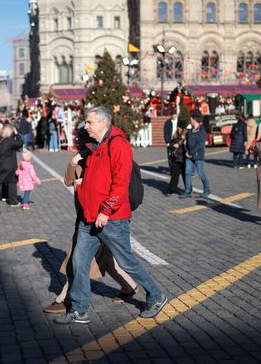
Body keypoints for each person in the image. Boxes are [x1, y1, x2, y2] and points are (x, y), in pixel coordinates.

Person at [55, 106, 167, 324]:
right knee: (79, 262)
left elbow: (120, 184)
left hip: (111, 219)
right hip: (89, 218)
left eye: (89, 122)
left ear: (103, 123)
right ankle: (79, 309)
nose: (85, 126)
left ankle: (156, 295)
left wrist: (106, 210)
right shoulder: (96, 145)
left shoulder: (118, 145)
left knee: (127, 262)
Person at [44, 130, 139, 314]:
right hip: (85, 216)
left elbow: (114, 185)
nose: (79, 142)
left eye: (81, 139)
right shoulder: (81, 158)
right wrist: (73, 163)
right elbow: (67, 180)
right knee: (108, 261)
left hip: (102, 218)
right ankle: (129, 286)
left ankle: (66, 297)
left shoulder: (102, 156)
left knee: (77, 260)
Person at [180, 112, 211, 198]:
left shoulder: (201, 131)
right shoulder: (190, 131)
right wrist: (186, 151)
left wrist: (190, 152)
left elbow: (201, 145)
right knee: (187, 172)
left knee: (200, 172)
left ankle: (207, 189)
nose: (190, 121)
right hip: (189, 156)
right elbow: (185, 143)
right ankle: (187, 190)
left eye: (191, 119)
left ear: (195, 120)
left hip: (198, 155)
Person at [165, 125, 187, 196]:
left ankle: (188, 189)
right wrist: (173, 145)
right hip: (176, 158)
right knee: (174, 175)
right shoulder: (175, 135)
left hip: (183, 158)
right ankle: (171, 190)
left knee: (185, 175)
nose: (178, 128)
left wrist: (184, 143)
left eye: (180, 127)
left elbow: (189, 145)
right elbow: (170, 145)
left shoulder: (186, 134)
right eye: (178, 127)